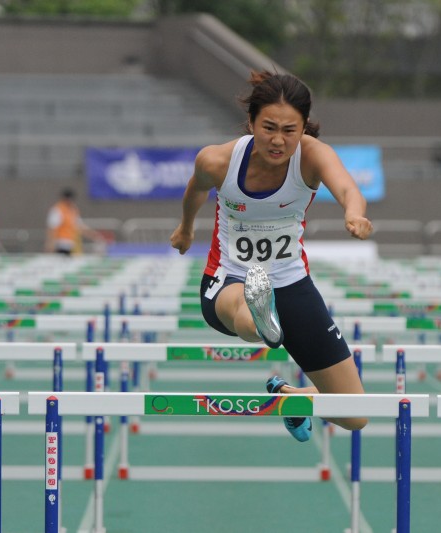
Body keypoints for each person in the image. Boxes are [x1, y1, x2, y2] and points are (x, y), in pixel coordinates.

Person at [169, 70, 372, 442]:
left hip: (291, 282)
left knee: (356, 415)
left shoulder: (312, 156)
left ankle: (290, 398)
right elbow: (194, 191)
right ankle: (261, 315)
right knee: (246, 313)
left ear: (304, 128)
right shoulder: (218, 161)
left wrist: (354, 213)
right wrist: (185, 228)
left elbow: (347, 188)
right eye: (269, 128)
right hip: (228, 276)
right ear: (251, 122)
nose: (278, 140)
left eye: (290, 130)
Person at [45, 188, 105, 255]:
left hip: (71, 244)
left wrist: (93, 234)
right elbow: (52, 228)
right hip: (61, 244)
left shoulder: (73, 210)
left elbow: (79, 226)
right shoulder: (57, 210)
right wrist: (51, 243)